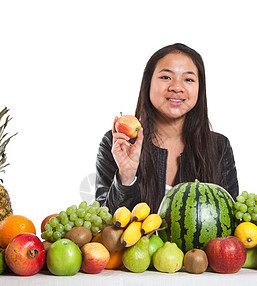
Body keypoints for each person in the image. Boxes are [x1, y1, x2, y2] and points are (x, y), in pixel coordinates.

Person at [95, 43, 238, 214]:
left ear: (200, 89)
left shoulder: (219, 147)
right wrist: (126, 177)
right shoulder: (119, 142)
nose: (176, 87)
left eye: (188, 79)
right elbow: (104, 226)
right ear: (148, 83)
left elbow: (231, 220)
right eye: (165, 77)